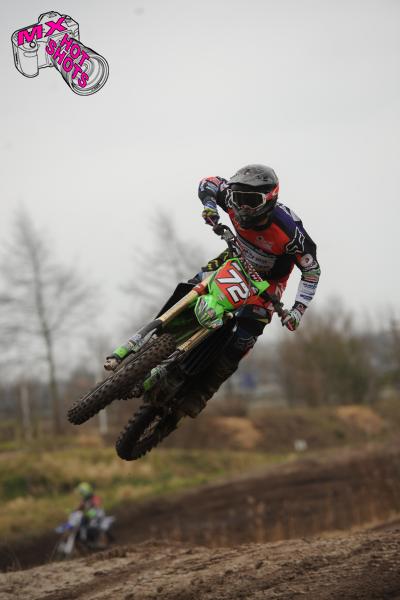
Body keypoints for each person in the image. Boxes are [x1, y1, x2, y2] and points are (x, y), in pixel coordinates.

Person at [180, 164, 321, 416]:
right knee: (191, 288)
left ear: (269, 200)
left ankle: (203, 391)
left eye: (251, 201)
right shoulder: (231, 199)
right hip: (234, 259)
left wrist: (298, 310)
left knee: (246, 334)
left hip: (269, 281)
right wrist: (210, 206)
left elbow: (311, 271)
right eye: (238, 199)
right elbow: (208, 182)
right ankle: (152, 340)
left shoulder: (291, 233)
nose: (242, 207)